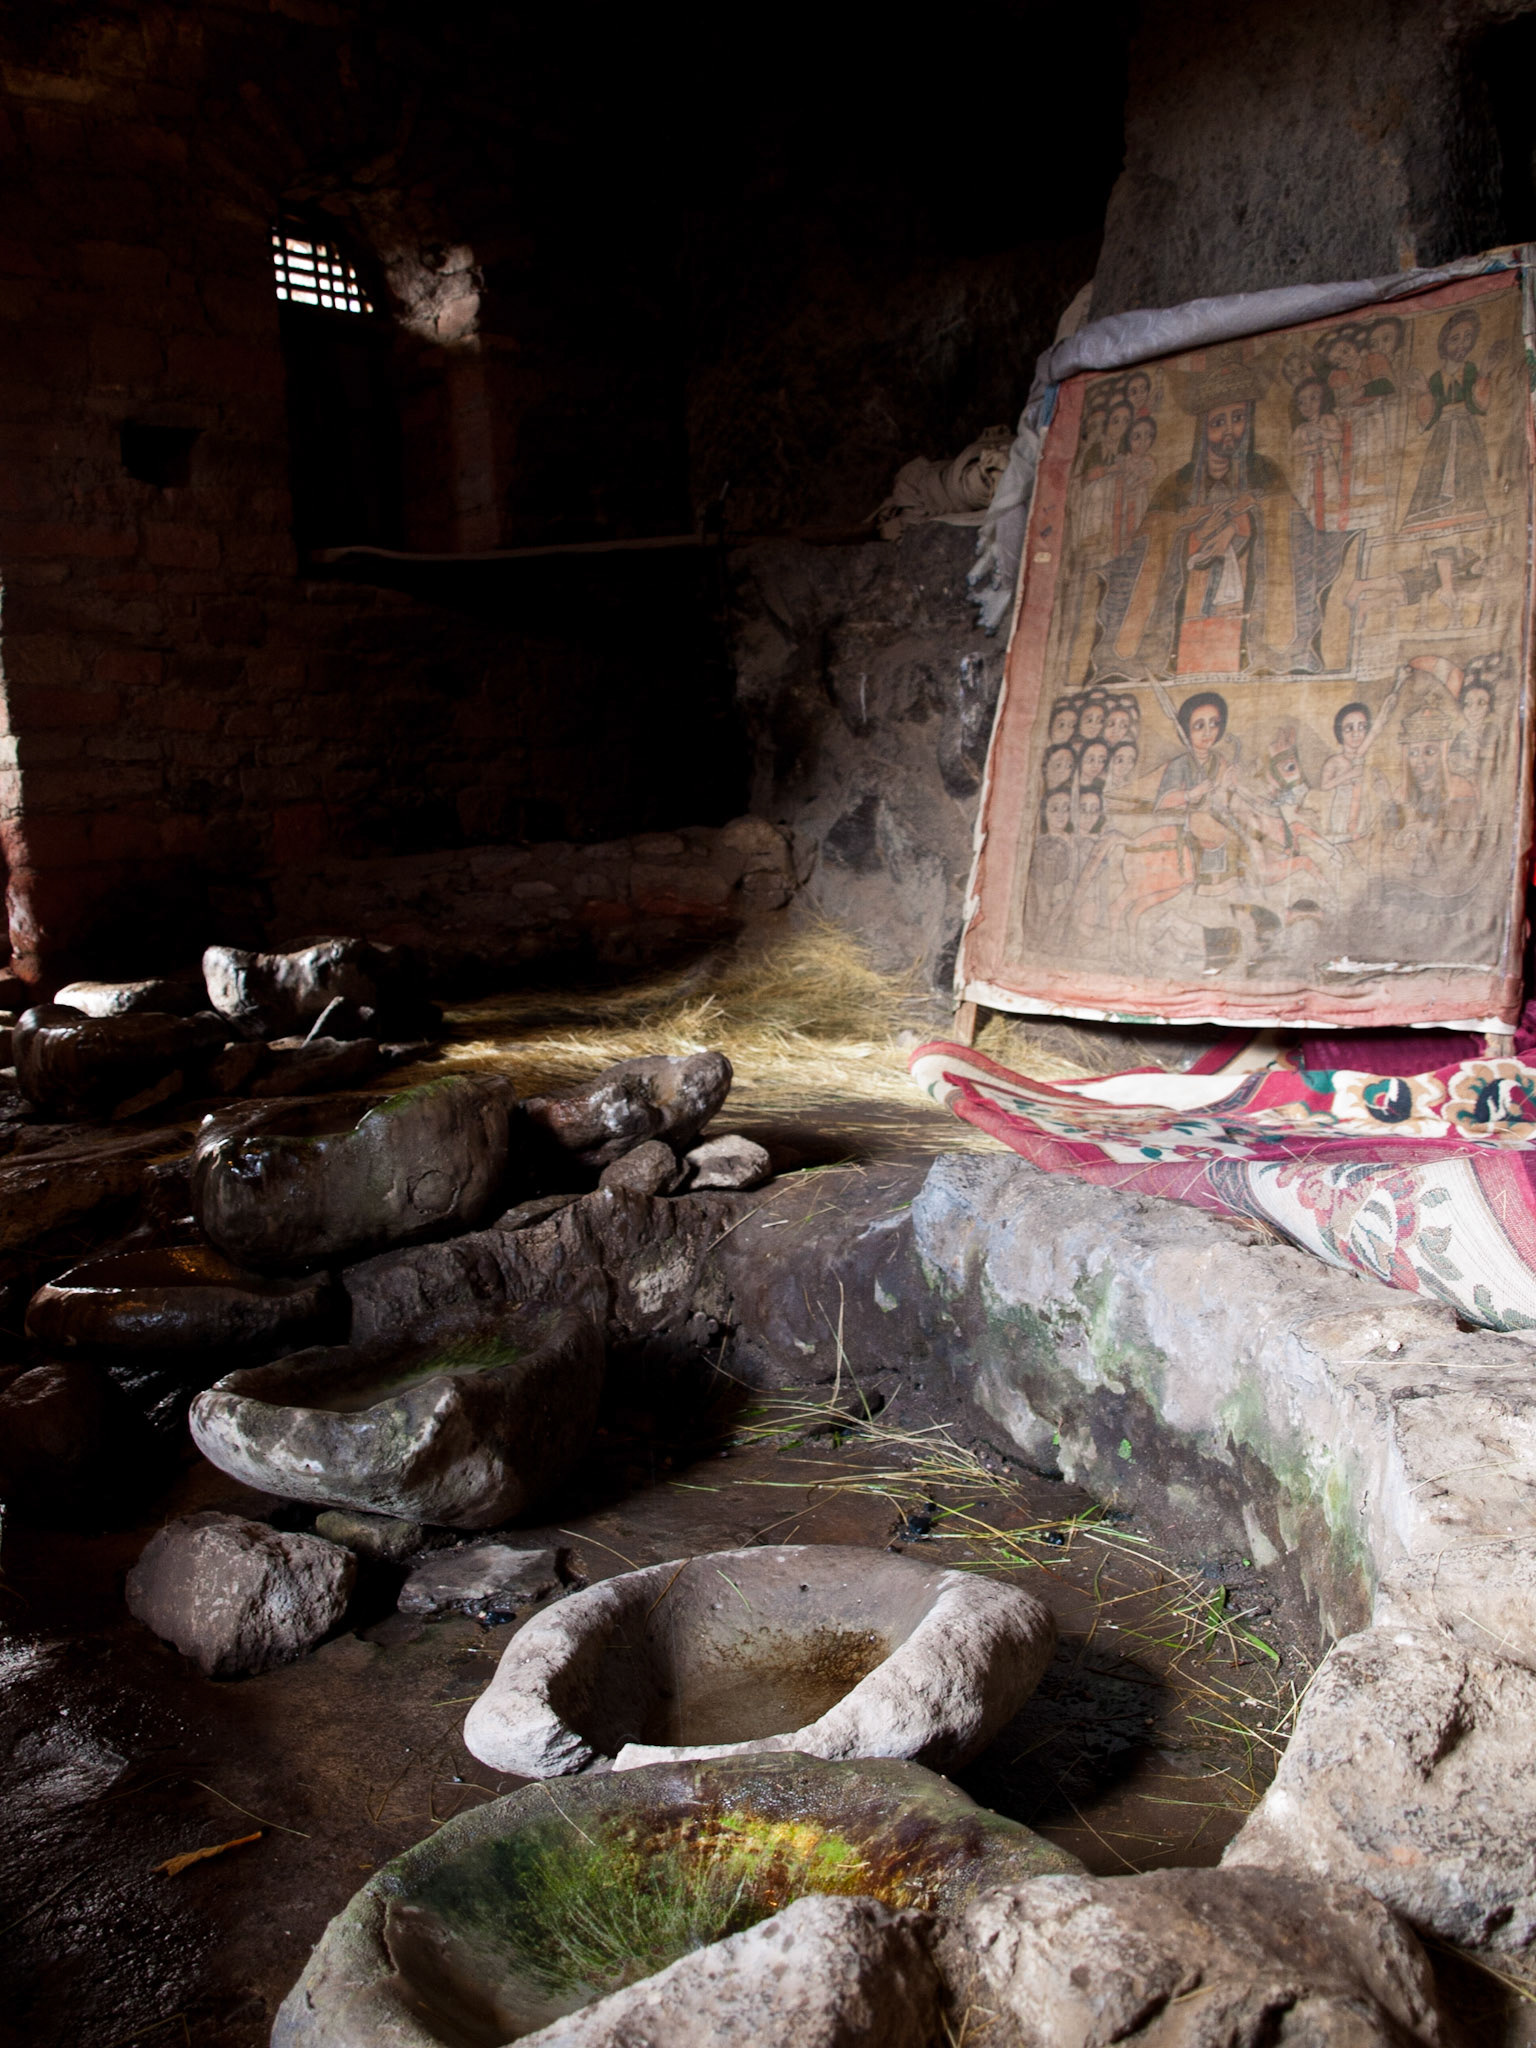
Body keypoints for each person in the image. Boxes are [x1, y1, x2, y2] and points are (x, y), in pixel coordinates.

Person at [1093, 349, 1357, 679]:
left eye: (1238, 417)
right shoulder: (1177, 483)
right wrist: (1189, 528)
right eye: (1218, 422)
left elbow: (1289, 526)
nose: (1229, 430)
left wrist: (1238, 526)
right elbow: (1148, 542)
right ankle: (1138, 660)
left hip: (1250, 595)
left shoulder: (1266, 471)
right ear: (1203, 429)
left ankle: (1278, 653)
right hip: (1187, 592)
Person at [1403, 307, 1506, 532]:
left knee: (1467, 467)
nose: (1462, 344)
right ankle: (1433, 512)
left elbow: (1478, 405)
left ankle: (1467, 510)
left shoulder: (1470, 370)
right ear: (1444, 343)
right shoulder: (1436, 378)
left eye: (1468, 337)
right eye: (1455, 338)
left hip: (1467, 430)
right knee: (1437, 470)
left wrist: (1485, 373)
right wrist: (1424, 391)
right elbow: (1428, 418)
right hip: (1442, 434)